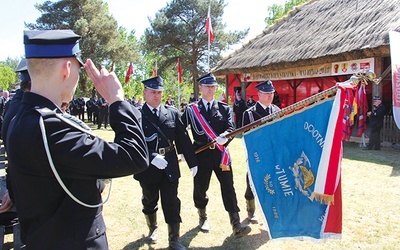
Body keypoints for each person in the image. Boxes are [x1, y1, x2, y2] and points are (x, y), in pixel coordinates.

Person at [5, 29, 149, 249]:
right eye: (78, 70)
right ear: (67, 68)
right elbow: (134, 157)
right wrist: (116, 100)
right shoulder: (51, 127)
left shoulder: (20, 116)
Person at [181, 73, 251, 238]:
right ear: (201, 88)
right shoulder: (192, 110)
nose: (210, 89)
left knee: (228, 188)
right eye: (207, 86)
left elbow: (231, 127)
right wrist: (185, 151)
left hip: (221, 155)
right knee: (200, 188)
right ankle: (202, 217)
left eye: (213, 86)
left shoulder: (224, 108)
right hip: (201, 155)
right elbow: (180, 129)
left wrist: (225, 136)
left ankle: (235, 223)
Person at [134, 76, 198, 250]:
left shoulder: (172, 113)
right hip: (147, 166)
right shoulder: (137, 115)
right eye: (153, 92)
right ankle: (152, 228)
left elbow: (183, 139)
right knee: (149, 200)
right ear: (145, 93)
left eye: (159, 92)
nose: (156, 96)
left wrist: (192, 162)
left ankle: (174, 239)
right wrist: (151, 156)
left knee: (171, 201)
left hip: (169, 164)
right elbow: (132, 143)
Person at [242, 80, 281, 224]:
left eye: (271, 93)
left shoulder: (277, 110)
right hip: (257, 154)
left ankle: (272, 210)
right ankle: (251, 212)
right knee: (252, 183)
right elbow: (247, 136)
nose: (270, 95)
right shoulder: (249, 114)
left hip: (273, 153)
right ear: (259, 94)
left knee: (273, 184)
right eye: (266, 93)